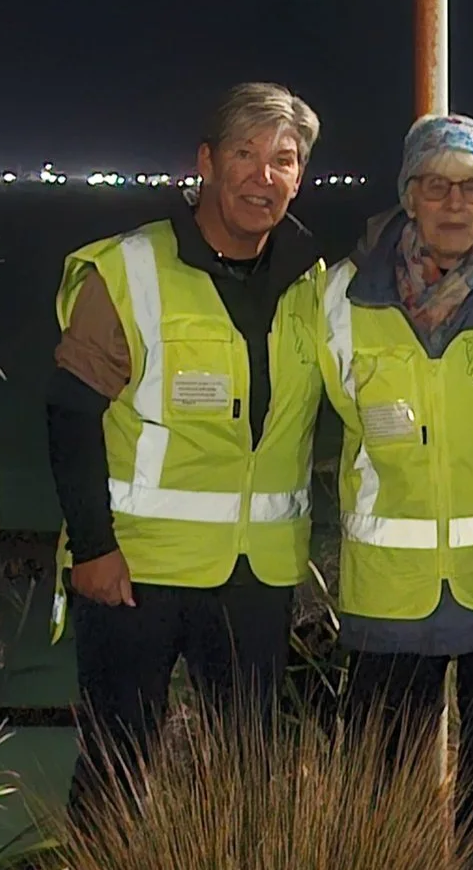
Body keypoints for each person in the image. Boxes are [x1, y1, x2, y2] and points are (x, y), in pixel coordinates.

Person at [46, 82, 327, 816]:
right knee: (115, 766)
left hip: (256, 573)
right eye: (245, 153)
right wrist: (93, 546)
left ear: (300, 177)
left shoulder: (314, 282)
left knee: (250, 774)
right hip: (137, 569)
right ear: (206, 161)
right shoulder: (132, 270)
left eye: (284, 160)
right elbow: (71, 413)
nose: (264, 176)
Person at [315, 113, 473, 870]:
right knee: (378, 793)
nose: (456, 202)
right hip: (389, 588)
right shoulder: (342, 297)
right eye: (437, 184)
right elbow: (325, 413)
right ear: (409, 192)